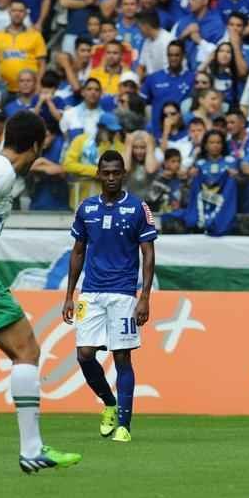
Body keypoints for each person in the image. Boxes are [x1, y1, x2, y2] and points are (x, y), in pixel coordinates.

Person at [0, 112, 82, 471]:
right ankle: (31, 450)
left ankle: (33, 450)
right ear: (34, 146)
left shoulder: (2, 171)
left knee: (26, 349)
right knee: (26, 349)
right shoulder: (0, 172)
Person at [62, 149, 157, 443]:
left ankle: (124, 425)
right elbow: (77, 252)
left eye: (117, 172)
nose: (112, 177)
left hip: (123, 294)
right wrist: (69, 295)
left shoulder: (138, 208)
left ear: (124, 174)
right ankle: (109, 404)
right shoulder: (86, 209)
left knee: (122, 357)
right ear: (99, 174)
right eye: (107, 172)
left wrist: (144, 297)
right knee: (84, 355)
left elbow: (148, 254)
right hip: (91, 292)